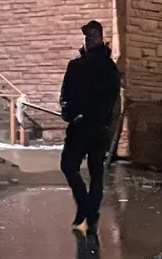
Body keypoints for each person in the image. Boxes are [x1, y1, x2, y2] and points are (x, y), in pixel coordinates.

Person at [59, 20, 120, 235]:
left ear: (101, 37)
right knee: (68, 165)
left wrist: (97, 119)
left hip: (97, 127)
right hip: (77, 126)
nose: (89, 38)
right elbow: (65, 93)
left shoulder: (108, 67)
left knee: (95, 170)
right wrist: (68, 112)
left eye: (93, 35)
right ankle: (85, 206)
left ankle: (90, 212)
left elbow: (110, 100)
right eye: (86, 35)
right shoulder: (75, 65)